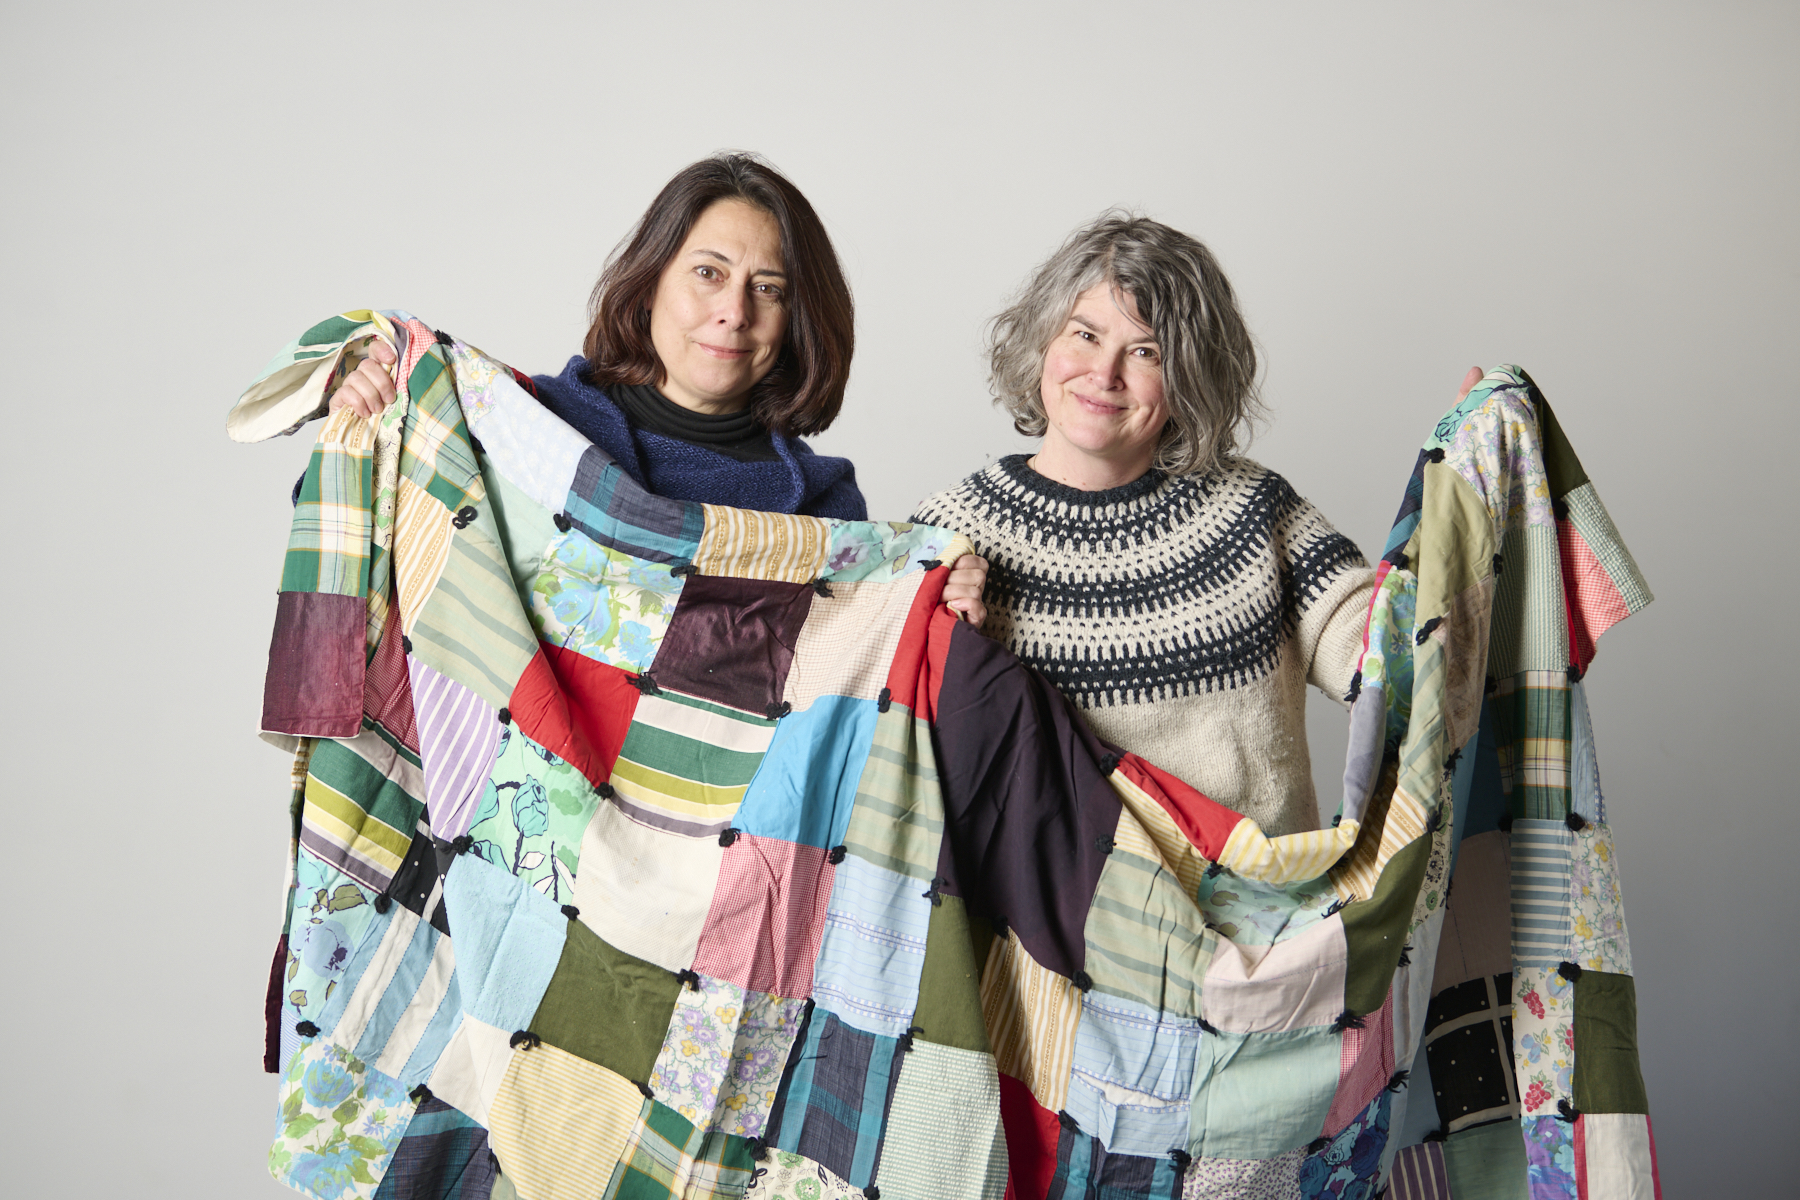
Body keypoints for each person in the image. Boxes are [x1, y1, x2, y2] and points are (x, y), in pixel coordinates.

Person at [914, 213, 1480, 837]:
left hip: (1255, 896)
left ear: (1189, 376)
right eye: (1085, 334)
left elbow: (1400, 670)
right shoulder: (947, 535)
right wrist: (939, 649)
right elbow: (899, 770)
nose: (1104, 374)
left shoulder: (1255, 510)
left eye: (1146, 351)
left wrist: (1458, 496)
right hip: (1051, 902)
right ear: (1043, 339)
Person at [324, 151, 988, 609]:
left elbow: (843, 686)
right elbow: (380, 535)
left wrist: (935, 602)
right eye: (708, 273)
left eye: (768, 288)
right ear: (650, 284)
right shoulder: (527, 427)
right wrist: (369, 425)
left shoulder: (822, 507)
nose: (734, 312)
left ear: (796, 321)